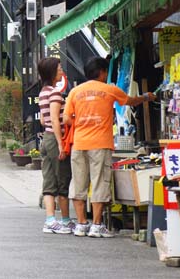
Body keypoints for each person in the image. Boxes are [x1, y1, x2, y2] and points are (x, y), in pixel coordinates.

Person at [63, 57, 155, 238]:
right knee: (99, 182)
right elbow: (130, 101)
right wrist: (146, 97)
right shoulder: (110, 89)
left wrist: (81, 123)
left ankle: (81, 224)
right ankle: (96, 225)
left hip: (79, 143)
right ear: (103, 72)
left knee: (78, 183)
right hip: (100, 143)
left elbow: (66, 119)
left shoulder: (75, 91)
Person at [37, 58, 74, 234]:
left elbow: (43, 120)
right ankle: (65, 220)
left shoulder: (43, 92)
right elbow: (52, 119)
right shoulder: (55, 93)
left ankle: (50, 220)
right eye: (59, 68)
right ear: (52, 72)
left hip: (46, 138)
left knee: (49, 180)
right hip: (55, 138)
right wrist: (61, 144)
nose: (62, 71)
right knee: (63, 178)